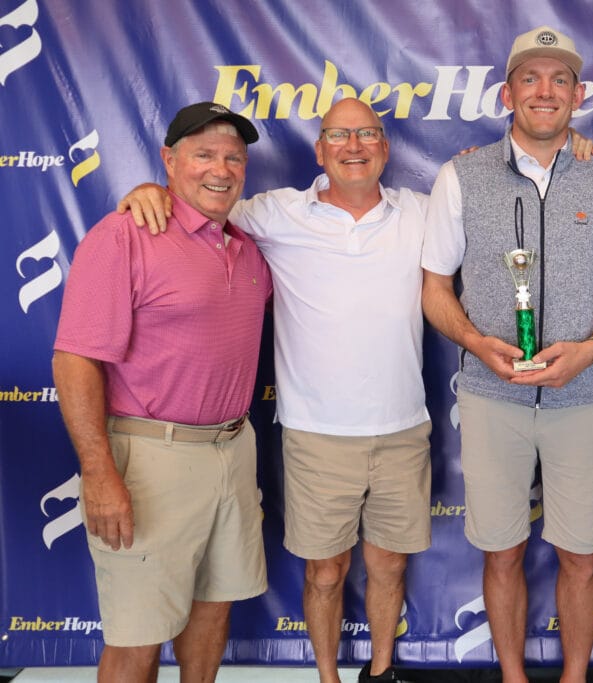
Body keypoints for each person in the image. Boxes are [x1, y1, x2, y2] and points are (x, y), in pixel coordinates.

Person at [119, 98, 429, 683]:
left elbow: (488, 206)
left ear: (385, 147)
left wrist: (575, 150)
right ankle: (328, 677)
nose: (354, 146)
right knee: (326, 573)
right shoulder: (274, 213)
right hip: (316, 435)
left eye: (367, 135)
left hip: (403, 427)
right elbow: (198, 200)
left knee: (389, 565)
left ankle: (382, 670)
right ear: (319, 149)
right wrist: (147, 188)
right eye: (339, 134)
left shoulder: (421, 212)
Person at [420, 25, 593, 683]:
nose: (544, 91)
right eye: (530, 77)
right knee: (502, 551)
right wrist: (471, 341)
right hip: (493, 398)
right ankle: (514, 675)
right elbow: (435, 288)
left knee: (580, 554)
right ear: (507, 91)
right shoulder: (461, 175)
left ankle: (574, 676)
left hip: (584, 397)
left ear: (578, 93)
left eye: (559, 79)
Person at [53, 102, 270, 683]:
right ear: (169, 161)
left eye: (233, 157)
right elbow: (74, 361)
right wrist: (99, 472)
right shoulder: (125, 234)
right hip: (151, 456)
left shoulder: (248, 248)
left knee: (213, 606)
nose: (220, 169)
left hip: (232, 447)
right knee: (137, 633)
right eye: (203, 155)